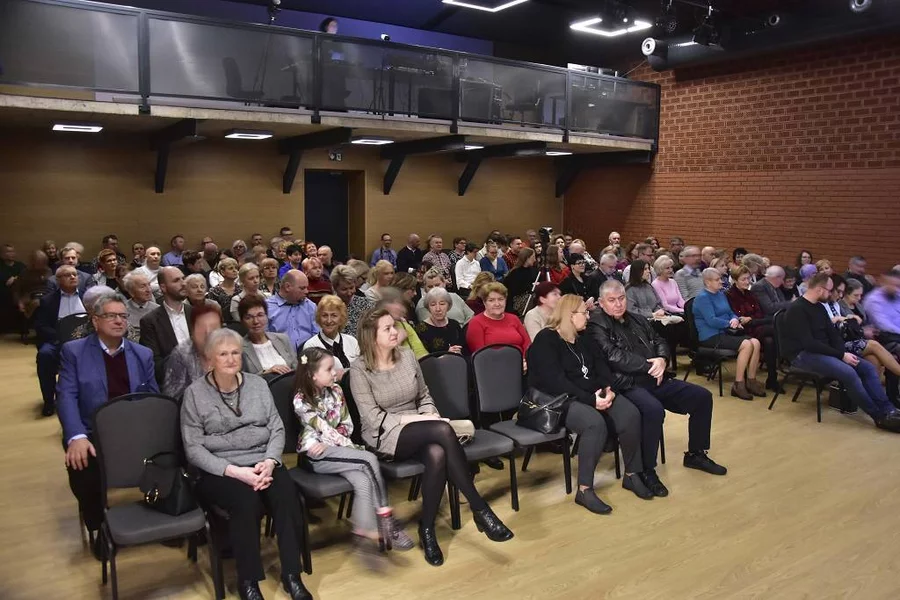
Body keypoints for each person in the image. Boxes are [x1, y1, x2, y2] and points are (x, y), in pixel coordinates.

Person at [349, 308, 513, 566]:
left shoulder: (406, 356)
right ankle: (479, 508)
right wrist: (422, 420)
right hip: (384, 433)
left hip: (422, 425)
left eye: (394, 326)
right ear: (371, 336)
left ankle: (427, 530)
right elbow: (372, 417)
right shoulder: (360, 368)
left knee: (437, 454)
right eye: (387, 328)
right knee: (442, 430)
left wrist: (429, 414)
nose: (395, 332)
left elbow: (424, 395)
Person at [181, 329, 312, 600]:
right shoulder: (194, 394)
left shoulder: (258, 385)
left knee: (287, 496)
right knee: (245, 502)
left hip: (263, 461)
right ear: (210, 359)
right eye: (223, 354)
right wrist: (235, 472)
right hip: (221, 469)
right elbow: (193, 448)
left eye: (235, 353)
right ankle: (248, 580)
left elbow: (276, 428)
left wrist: (270, 461)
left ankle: (292, 574)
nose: (231, 359)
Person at [589, 280, 727, 482]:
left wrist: (662, 359)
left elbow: (659, 340)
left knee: (702, 397)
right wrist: (649, 366)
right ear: (601, 303)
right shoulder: (596, 325)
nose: (618, 304)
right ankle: (647, 469)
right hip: (627, 384)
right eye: (612, 300)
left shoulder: (637, 319)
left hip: (655, 377)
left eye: (621, 298)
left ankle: (696, 454)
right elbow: (613, 356)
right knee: (653, 410)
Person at [528, 295, 651, 513]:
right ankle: (584, 490)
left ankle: (632, 474)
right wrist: (591, 400)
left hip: (593, 393)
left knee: (630, 414)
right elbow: (555, 382)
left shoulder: (584, 337)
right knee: (594, 423)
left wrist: (608, 388)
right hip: (561, 399)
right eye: (584, 312)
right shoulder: (546, 339)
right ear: (569, 315)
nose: (588, 316)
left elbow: (601, 366)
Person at [58, 292, 157, 557]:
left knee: (172, 453)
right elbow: (67, 396)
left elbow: (153, 399)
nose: (119, 321)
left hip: (135, 431)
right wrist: (76, 436)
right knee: (82, 465)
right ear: (95, 321)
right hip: (94, 433)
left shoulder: (142, 354)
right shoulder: (74, 352)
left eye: (123, 316)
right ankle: (100, 525)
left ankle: (163, 512)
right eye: (111, 316)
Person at [293, 347, 413, 565]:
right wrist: (345, 446)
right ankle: (386, 517)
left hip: (338, 447)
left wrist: (341, 443)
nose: (334, 372)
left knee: (363, 479)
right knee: (369, 459)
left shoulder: (336, 390)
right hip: (316, 453)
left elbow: (346, 425)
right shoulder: (301, 400)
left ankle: (364, 528)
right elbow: (322, 428)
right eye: (328, 369)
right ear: (312, 374)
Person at [782, 273, 900, 432]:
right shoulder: (797, 309)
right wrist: (841, 355)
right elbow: (809, 344)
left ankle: (888, 409)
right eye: (829, 290)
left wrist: (843, 353)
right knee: (849, 373)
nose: (831, 294)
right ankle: (878, 416)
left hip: (822, 351)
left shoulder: (819, 307)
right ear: (819, 289)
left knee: (867, 368)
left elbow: (834, 336)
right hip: (802, 355)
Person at [692, 268, 764, 400]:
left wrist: (734, 319)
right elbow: (711, 320)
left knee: (756, 342)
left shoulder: (720, 294)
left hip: (725, 332)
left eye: (720, 278)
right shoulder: (702, 298)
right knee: (747, 345)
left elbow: (730, 312)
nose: (721, 281)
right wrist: (729, 323)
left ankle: (751, 380)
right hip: (710, 336)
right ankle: (738, 384)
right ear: (708, 282)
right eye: (717, 279)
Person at [34, 265, 86, 416]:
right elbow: (41, 326)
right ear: (58, 280)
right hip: (56, 341)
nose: (73, 277)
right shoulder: (47, 300)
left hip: (83, 340)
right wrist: (60, 337)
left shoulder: (87, 297)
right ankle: (49, 401)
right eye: (67, 275)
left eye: (75, 274)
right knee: (44, 355)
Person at [727, 266, 779, 391]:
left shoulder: (750, 294)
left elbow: (759, 314)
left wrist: (751, 318)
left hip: (756, 325)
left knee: (769, 341)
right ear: (735, 280)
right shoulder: (729, 295)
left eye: (748, 278)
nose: (747, 282)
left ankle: (772, 379)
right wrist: (749, 319)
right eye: (743, 279)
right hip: (742, 330)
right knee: (776, 330)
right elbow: (737, 317)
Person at [139, 267, 192, 384]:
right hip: (173, 384)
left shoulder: (197, 314)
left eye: (183, 278)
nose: (183, 283)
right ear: (163, 287)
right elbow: (154, 364)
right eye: (176, 280)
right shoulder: (150, 321)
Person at [163, 302, 222, 399]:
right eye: (202, 327)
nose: (208, 332)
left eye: (213, 327)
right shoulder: (181, 355)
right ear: (192, 330)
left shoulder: (231, 350)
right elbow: (174, 398)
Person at [236, 294, 299, 378]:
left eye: (260, 315)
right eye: (249, 317)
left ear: (266, 316)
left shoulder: (283, 339)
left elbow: (297, 369)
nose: (256, 321)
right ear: (242, 321)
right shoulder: (239, 348)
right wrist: (267, 373)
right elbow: (241, 378)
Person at [466, 282, 531, 358]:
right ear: (484, 302)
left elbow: (527, 344)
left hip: (521, 361)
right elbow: (480, 355)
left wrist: (525, 359)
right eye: (491, 300)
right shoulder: (476, 322)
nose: (497, 304)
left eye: (500, 299)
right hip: (493, 363)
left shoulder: (514, 318)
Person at [302, 294, 360, 378]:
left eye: (334, 315)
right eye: (324, 315)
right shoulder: (310, 346)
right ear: (319, 318)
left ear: (341, 318)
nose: (329, 321)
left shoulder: (352, 341)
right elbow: (307, 375)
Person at [377, 287, 427, 358]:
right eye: (395, 303)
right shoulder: (375, 329)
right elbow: (381, 358)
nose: (401, 308)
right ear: (383, 305)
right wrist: (398, 340)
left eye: (401, 304)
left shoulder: (405, 326)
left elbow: (421, 353)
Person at [414, 287, 467, 355]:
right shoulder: (420, 329)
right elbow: (423, 357)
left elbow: (465, 350)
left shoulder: (454, 324)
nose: (438, 309)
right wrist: (447, 353)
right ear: (428, 308)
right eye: (433, 305)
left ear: (448, 306)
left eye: (442, 304)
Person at [330, 265, 374, 337]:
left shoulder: (366, 304)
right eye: (344, 289)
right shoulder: (329, 307)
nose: (349, 293)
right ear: (335, 288)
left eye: (351, 288)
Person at [502, 248, 539, 316]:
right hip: (517, 300)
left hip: (530, 296)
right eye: (533, 257)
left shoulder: (534, 270)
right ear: (527, 258)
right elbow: (515, 290)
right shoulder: (515, 273)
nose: (535, 260)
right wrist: (531, 286)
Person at [122, 270, 158, 337]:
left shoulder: (158, 310)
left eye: (149, 285)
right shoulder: (122, 310)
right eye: (143, 286)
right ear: (131, 292)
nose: (149, 290)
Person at [207, 258, 242, 323]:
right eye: (231, 268)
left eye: (236, 268)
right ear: (222, 272)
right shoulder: (214, 291)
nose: (235, 270)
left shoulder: (241, 289)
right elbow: (212, 313)